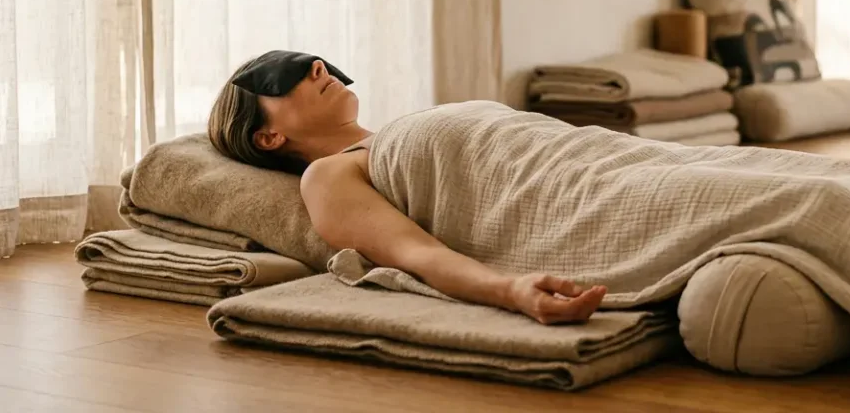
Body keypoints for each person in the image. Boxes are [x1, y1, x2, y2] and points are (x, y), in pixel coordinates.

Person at [209, 55, 608, 326]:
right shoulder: (329, 175)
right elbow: (418, 254)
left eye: (313, 61)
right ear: (267, 137)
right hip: (590, 201)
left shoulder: (397, 133)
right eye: (280, 77)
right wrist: (511, 291)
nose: (316, 65)